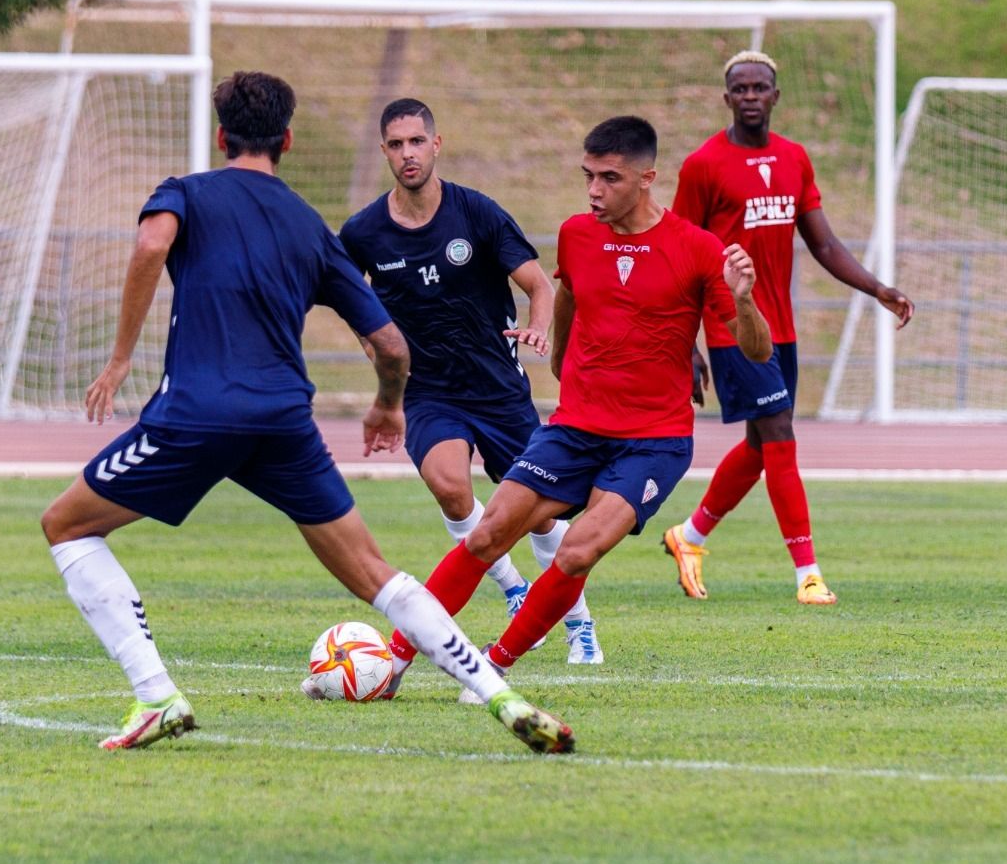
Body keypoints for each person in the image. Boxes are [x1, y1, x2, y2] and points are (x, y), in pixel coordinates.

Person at [38, 71, 573, 753]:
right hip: (286, 423)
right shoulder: (310, 226)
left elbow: (149, 246)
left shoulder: (187, 193)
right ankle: (501, 695)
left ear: (221, 135)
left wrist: (118, 361)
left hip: (195, 415)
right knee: (376, 574)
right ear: (288, 140)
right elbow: (388, 341)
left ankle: (156, 695)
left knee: (67, 525)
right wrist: (385, 404)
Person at [383, 116, 770, 684]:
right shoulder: (577, 234)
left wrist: (747, 299)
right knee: (488, 534)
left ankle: (494, 665)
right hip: (574, 429)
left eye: (609, 178)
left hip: (653, 441)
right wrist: (564, 366)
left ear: (647, 179)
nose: (594, 190)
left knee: (576, 551)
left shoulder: (697, 248)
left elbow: (755, 351)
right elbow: (566, 298)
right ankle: (390, 661)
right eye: (588, 176)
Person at [337, 99, 603, 681]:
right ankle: (512, 589)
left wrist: (538, 324)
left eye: (417, 142)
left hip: (498, 388)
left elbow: (537, 282)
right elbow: (351, 303)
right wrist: (378, 355)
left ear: (437, 145)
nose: (408, 153)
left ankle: (578, 621)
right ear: (385, 151)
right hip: (428, 391)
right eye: (396, 144)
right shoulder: (362, 233)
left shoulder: (476, 213)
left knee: (535, 516)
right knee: (451, 486)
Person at [663, 51, 914, 605]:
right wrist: (686, 344)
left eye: (760, 88)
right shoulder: (704, 165)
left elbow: (822, 242)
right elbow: (679, 256)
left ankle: (689, 536)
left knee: (760, 443)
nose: (750, 96)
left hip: (781, 327)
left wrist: (877, 288)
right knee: (779, 436)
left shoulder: (794, 159)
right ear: (726, 99)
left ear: (776, 97)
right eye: (740, 88)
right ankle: (808, 573)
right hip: (731, 324)